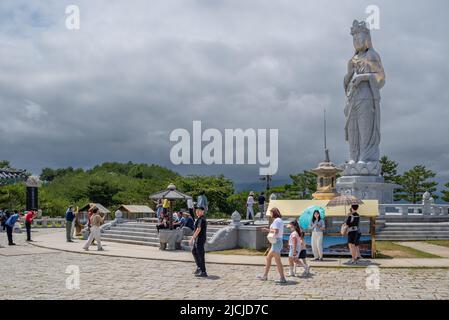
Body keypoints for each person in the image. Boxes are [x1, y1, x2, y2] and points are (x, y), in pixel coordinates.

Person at [258, 208, 286, 284]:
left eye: (271, 213)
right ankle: (265, 276)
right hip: (276, 242)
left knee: (277, 261)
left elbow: (276, 231)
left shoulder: (277, 220)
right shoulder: (279, 220)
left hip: (276, 242)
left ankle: (282, 278)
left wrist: (266, 230)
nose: (270, 214)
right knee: (268, 258)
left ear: (274, 213)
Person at [189, 206, 208, 278]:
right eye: (196, 210)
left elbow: (198, 229)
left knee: (200, 255)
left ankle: (203, 271)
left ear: (202, 211)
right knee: (194, 251)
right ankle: (199, 267)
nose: (197, 212)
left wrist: (192, 238)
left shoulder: (202, 219)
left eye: (199, 210)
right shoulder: (199, 219)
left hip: (200, 239)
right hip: (197, 239)